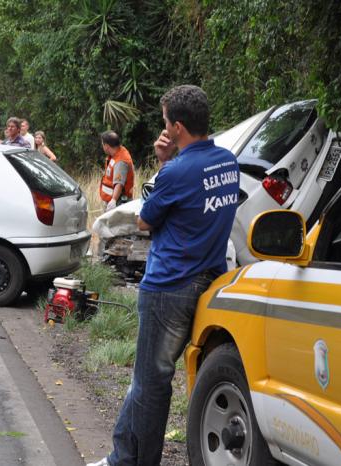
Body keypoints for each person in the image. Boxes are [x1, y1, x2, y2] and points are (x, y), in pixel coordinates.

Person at [88, 85, 239, 466]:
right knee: (147, 380)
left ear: (178, 127)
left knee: (150, 383)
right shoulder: (227, 162)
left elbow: (143, 218)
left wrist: (165, 163)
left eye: (166, 123)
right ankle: (121, 456)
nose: (164, 129)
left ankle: (132, 462)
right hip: (209, 278)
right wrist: (167, 162)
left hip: (168, 286)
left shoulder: (178, 171)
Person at [99, 131, 134, 212]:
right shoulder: (116, 154)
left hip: (118, 203)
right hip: (113, 201)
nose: (102, 147)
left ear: (107, 146)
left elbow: (119, 183)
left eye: (102, 144)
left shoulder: (120, 162)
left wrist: (113, 200)